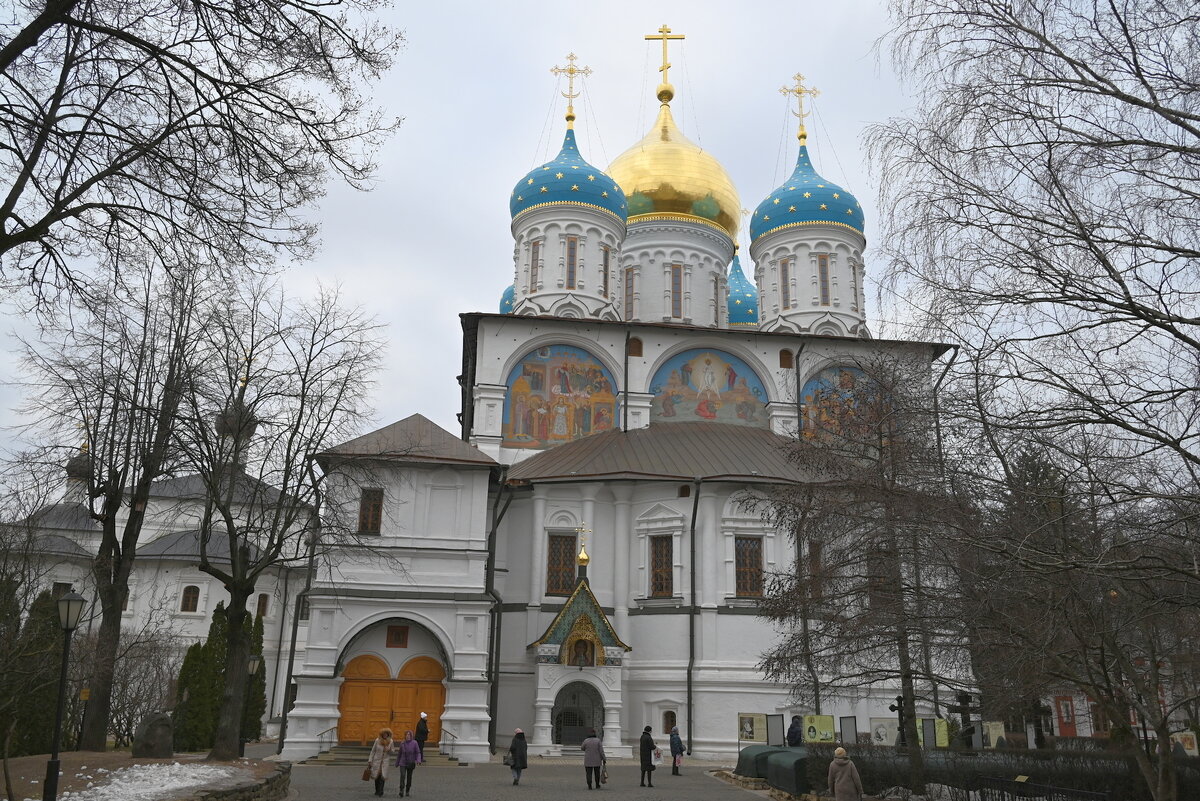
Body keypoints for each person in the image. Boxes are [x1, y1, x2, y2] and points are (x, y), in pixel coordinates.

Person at [394, 730, 423, 797]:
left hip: (411, 762)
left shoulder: (415, 743)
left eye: (409, 735)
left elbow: (418, 752)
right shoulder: (402, 743)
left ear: (411, 736)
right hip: (403, 762)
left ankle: (407, 790)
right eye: (406, 735)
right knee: (403, 775)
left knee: (409, 777)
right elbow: (399, 754)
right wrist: (397, 763)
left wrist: (418, 760)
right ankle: (401, 789)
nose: (408, 736)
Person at [366, 728, 394, 797]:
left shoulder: (390, 741)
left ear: (388, 734)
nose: (385, 735)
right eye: (383, 734)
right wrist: (370, 760)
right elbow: (373, 751)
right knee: (376, 777)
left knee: (382, 777)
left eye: (386, 734)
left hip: (385, 762)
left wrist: (389, 750)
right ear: (382, 734)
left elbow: (393, 751)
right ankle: (377, 790)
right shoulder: (377, 740)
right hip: (377, 761)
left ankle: (381, 791)